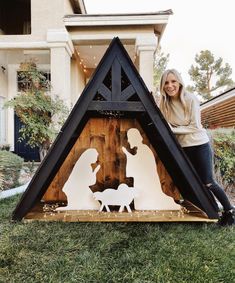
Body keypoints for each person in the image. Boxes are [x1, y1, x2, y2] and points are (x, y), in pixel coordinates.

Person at [159, 69, 234, 226]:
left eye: (173, 81)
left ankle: (230, 212)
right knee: (195, 181)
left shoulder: (191, 99)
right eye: (166, 82)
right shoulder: (164, 104)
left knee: (208, 182)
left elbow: (195, 127)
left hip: (199, 145)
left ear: (179, 82)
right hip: (183, 148)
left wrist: (172, 129)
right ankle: (213, 211)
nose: (170, 85)